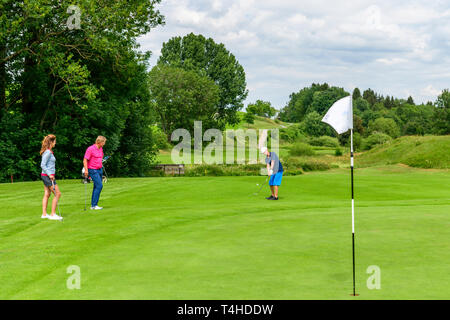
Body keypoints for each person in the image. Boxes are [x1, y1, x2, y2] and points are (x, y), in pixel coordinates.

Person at [40, 134, 63, 220]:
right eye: (55, 141)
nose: (55, 143)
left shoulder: (48, 151)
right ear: (51, 142)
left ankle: (44, 214)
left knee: (47, 194)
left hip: (46, 175)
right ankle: (53, 214)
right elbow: (42, 165)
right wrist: (50, 174)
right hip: (47, 176)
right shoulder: (48, 152)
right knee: (57, 193)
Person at [83, 136, 107, 210]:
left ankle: (94, 205)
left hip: (99, 169)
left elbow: (100, 158)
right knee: (99, 186)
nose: (104, 144)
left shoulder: (101, 149)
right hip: (93, 170)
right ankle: (94, 205)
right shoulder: (90, 149)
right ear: (99, 142)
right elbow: (85, 160)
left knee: (96, 186)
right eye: (103, 142)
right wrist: (86, 170)